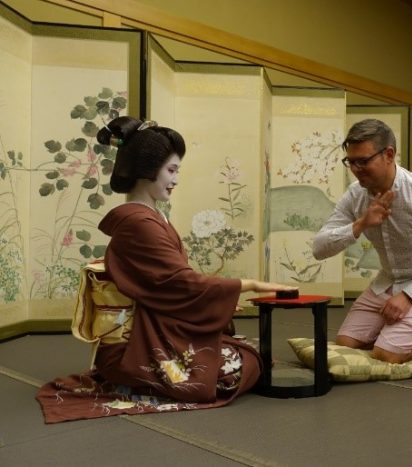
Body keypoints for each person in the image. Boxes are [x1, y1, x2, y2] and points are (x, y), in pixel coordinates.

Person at [37, 117, 295, 423]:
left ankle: (133, 377)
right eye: (171, 170)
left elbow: (165, 284)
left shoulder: (149, 217)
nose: (176, 179)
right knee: (237, 368)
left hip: (154, 327)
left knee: (248, 351)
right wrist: (248, 284)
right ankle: (129, 377)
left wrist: (211, 297)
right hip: (136, 345)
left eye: (177, 171)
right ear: (147, 169)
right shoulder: (139, 223)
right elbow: (179, 282)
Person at [312, 119, 412, 363]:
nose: (356, 168)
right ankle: (405, 326)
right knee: (347, 345)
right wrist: (361, 224)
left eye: (364, 161)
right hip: (389, 280)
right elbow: (319, 248)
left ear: (389, 154)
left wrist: (408, 296)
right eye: (351, 162)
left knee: (385, 355)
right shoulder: (355, 195)